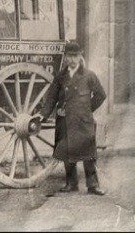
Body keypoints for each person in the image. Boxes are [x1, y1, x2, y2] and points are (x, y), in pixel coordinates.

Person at [37, 41, 107, 196]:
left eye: (75, 56)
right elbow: (51, 98)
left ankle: (93, 185)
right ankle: (71, 183)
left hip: (83, 120)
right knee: (68, 153)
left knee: (89, 154)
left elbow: (101, 95)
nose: (72, 59)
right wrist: (43, 114)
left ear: (80, 56)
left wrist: (88, 110)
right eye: (69, 56)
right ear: (65, 57)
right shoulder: (60, 77)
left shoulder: (89, 75)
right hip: (65, 120)